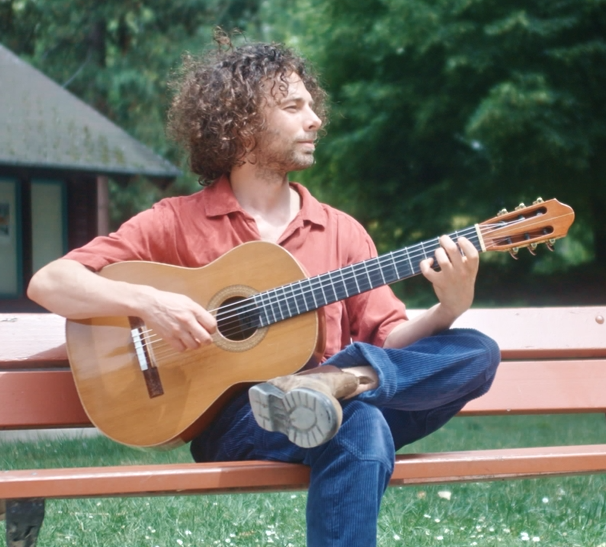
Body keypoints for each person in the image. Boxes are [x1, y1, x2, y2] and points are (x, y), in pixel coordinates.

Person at [26, 39, 500, 546]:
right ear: (242, 124)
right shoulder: (177, 222)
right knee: (362, 425)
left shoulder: (341, 231)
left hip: (342, 410)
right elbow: (50, 283)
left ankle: (333, 383)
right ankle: (332, 386)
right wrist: (149, 302)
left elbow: (390, 336)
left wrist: (449, 307)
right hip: (239, 420)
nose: (316, 119)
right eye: (294, 107)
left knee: (476, 352)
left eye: (312, 105)